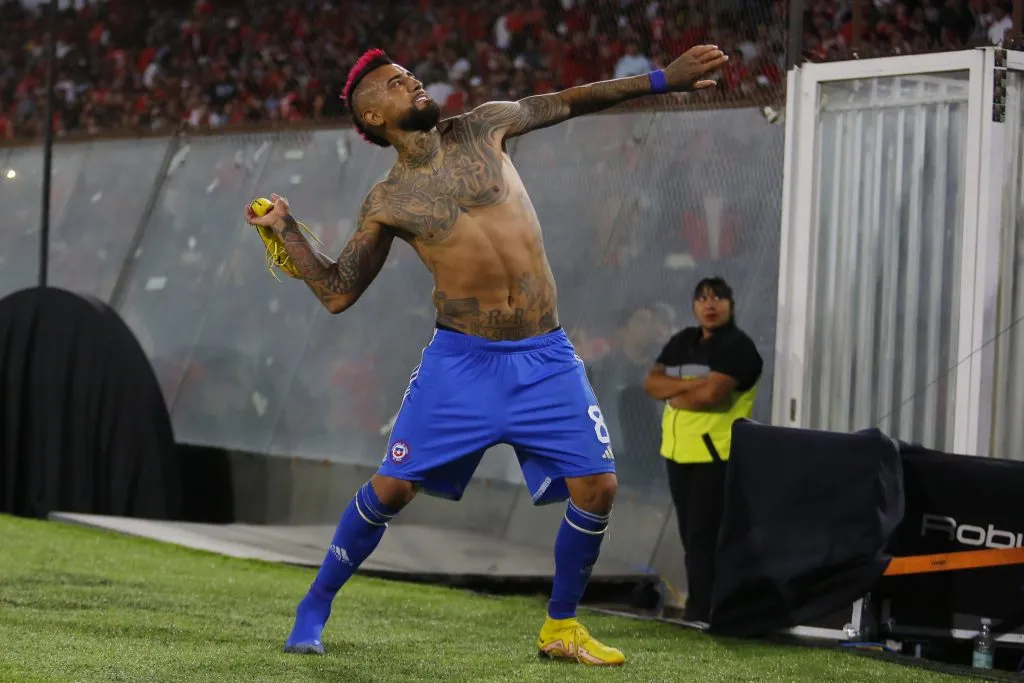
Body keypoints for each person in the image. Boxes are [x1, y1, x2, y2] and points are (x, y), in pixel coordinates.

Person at [244, 45, 729, 665]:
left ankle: (560, 626)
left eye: (408, 74)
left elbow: (573, 100)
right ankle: (315, 603)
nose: (412, 81)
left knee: (598, 487)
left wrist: (662, 80)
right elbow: (339, 293)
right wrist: (285, 231)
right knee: (391, 489)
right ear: (373, 119)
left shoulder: (486, 123)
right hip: (462, 363)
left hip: (545, 355)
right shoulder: (388, 200)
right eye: (395, 84)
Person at [642, 277, 763, 624]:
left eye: (718, 298)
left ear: (731, 304)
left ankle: (704, 611)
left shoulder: (739, 347)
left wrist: (676, 393)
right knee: (691, 536)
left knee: (704, 538)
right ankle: (705, 608)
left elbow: (713, 396)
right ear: (694, 306)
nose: (710, 305)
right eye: (702, 298)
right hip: (678, 455)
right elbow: (651, 384)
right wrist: (688, 388)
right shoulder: (683, 341)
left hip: (716, 456)